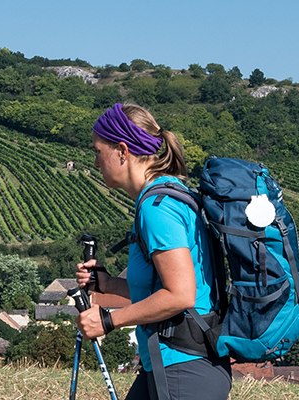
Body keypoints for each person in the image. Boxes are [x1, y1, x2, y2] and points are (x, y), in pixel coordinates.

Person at [75, 103, 229, 400]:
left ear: (122, 150)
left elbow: (180, 295)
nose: (95, 163)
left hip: (183, 369)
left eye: (97, 151)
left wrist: (109, 320)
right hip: (174, 364)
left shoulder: (158, 209)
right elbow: (161, 291)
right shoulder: (170, 194)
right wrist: (107, 284)